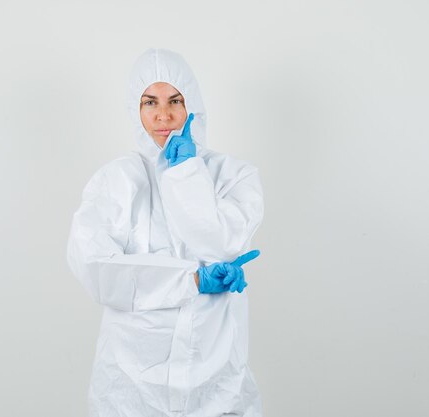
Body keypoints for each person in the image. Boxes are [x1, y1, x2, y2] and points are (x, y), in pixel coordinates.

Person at [66, 48, 265, 417]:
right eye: (149, 102)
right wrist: (190, 280)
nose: (164, 115)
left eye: (176, 100)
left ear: (194, 106)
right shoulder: (116, 181)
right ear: (135, 110)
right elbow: (96, 270)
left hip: (215, 378)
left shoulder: (233, 176)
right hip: (131, 386)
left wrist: (186, 171)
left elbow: (220, 242)